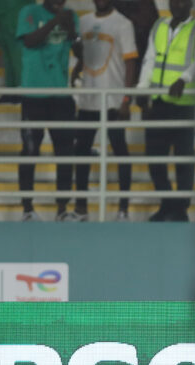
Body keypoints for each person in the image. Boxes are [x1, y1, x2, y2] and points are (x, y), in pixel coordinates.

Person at [71, 0, 138, 221]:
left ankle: (123, 210)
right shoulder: (83, 22)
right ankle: (81, 208)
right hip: (88, 99)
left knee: (121, 153)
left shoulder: (123, 24)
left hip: (113, 101)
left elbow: (130, 63)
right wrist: (77, 71)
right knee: (81, 154)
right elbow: (83, 55)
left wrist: (126, 99)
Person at [136, 0, 195, 222]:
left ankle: (181, 208)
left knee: (184, 158)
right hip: (159, 101)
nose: (179, 5)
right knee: (155, 156)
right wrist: (142, 89)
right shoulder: (159, 26)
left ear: (191, 4)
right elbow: (149, 59)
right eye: (175, 1)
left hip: (186, 103)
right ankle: (167, 204)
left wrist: (185, 79)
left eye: (183, 1)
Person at [16, 0, 82, 222]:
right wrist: (55, 21)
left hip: (61, 95)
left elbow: (80, 51)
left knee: (65, 153)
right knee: (30, 151)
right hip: (33, 94)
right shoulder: (29, 11)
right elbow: (30, 40)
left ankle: (62, 209)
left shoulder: (71, 16)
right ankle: (27, 209)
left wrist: (72, 30)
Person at [0, 0, 34, 102]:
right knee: (10, 62)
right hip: (7, 25)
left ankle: (20, 92)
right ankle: (12, 92)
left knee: (17, 62)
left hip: (16, 25)